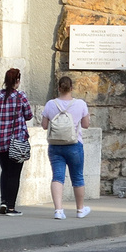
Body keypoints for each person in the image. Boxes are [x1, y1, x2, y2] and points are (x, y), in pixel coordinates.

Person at [42, 76, 93, 220]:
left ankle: (58, 210)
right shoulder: (80, 104)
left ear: (58, 88)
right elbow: (86, 125)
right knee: (77, 177)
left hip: (55, 145)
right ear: (71, 88)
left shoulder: (50, 104)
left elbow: (45, 125)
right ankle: (80, 209)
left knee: (57, 177)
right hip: (74, 144)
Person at [0, 67, 33, 215]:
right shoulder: (20, 96)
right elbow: (29, 115)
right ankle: (11, 207)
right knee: (14, 174)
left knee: (5, 171)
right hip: (15, 141)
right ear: (17, 81)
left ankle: (3, 202)